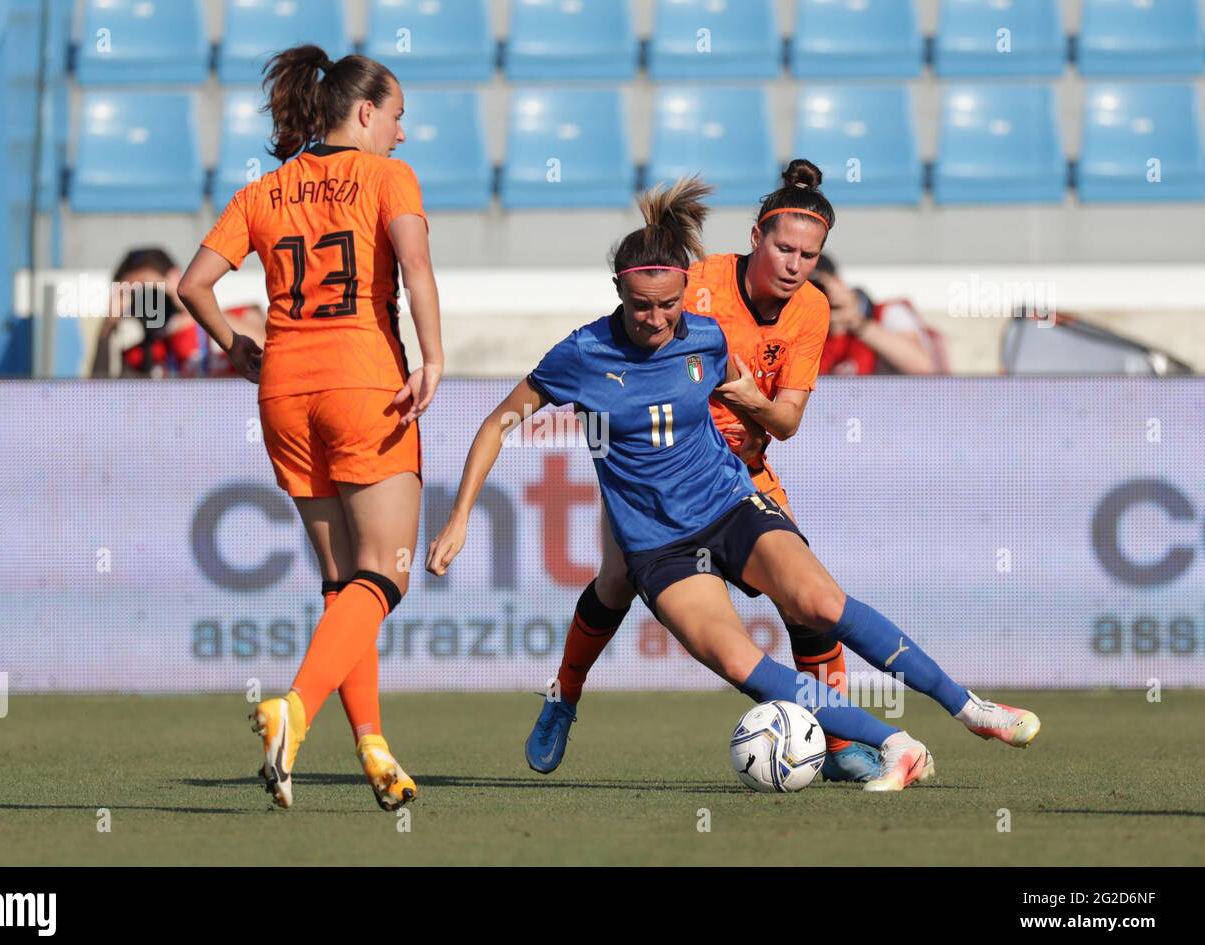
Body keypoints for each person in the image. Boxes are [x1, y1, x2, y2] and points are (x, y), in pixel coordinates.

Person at [427, 177, 1040, 794]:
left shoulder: (707, 335)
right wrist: (458, 521)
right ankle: (894, 743)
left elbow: (769, 413)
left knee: (821, 605)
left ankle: (968, 709)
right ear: (618, 290)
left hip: (731, 504)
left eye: (669, 305)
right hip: (658, 544)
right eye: (642, 306)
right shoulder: (582, 353)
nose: (658, 319)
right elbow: (498, 423)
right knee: (732, 657)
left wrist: (754, 418)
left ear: (684, 295)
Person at [522, 161, 878, 782]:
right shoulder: (702, 281)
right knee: (615, 582)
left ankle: (842, 742)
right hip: (659, 473)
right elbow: (637, 325)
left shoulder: (812, 309)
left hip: (741, 474)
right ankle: (564, 697)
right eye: (785, 248)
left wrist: (745, 399)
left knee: (809, 600)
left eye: (809, 254)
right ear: (756, 239)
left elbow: (787, 421)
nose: (795, 264)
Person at [177, 47, 444, 811]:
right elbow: (416, 267)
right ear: (365, 113)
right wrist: (432, 357)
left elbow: (191, 285)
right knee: (386, 574)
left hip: (285, 390)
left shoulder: (265, 189)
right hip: (365, 381)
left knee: (343, 585)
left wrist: (235, 348)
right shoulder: (387, 178)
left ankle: (373, 748)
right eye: (396, 117)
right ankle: (292, 708)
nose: (402, 134)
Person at [811, 253, 948, 376]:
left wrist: (854, 321)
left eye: (819, 287)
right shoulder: (808, 326)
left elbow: (922, 367)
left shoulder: (889, 314)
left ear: (838, 283)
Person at [90, 248, 204, 378]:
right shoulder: (133, 350)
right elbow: (98, 391)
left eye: (149, 289)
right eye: (135, 293)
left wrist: (190, 305)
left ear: (175, 278)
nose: (147, 304)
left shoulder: (219, 327)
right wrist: (108, 327)